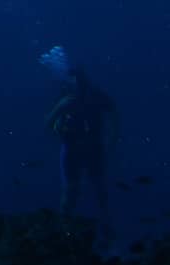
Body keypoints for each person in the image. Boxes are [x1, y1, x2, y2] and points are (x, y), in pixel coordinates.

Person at [45, 67, 119, 237]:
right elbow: (49, 123)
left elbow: (113, 112)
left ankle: (103, 225)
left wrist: (113, 137)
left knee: (97, 188)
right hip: (73, 148)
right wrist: (60, 108)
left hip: (91, 147)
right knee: (72, 190)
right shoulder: (67, 99)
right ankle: (65, 227)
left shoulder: (95, 97)